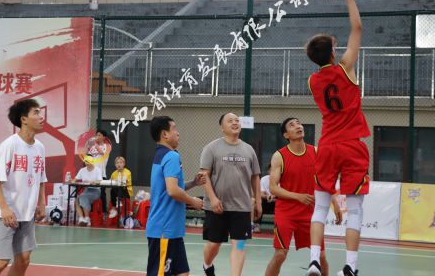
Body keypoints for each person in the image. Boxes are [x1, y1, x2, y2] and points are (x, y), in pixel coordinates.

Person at [305, 0, 370, 276]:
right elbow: (357, 28)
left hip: (328, 145)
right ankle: (350, 266)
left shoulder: (313, 81)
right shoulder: (345, 68)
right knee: (355, 210)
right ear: (333, 52)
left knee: (320, 208)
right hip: (352, 144)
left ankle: (314, 261)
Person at [264, 117, 342, 276]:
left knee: (321, 256)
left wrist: (335, 203)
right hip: (286, 212)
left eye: (298, 123)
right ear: (286, 135)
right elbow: (273, 188)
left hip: (311, 213)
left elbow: (325, 181)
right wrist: (298, 197)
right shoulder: (279, 156)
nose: (298, 126)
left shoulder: (316, 152)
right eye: (292, 125)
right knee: (280, 255)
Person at [0, 99, 47, 276]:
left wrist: (42, 203)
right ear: (23, 119)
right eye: (36, 112)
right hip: (5, 213)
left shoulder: (40, 148)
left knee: (24, 259)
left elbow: (41, 178)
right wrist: (4, 208)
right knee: (0, 263)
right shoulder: (9, 145)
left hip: (27, 213)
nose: (41, 117)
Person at [200, 113, 262, 276]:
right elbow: (204, 175)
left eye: (237, 120)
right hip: (216, 207)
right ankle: (207, 264)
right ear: (222, 127)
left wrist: (258, 202)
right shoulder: (211, 148)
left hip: (242, 208)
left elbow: (255, 177)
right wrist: (213, 199)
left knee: (239, 245)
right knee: (214, 244)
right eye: (230, 121)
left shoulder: (249, 149)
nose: (235, 123)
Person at [145, 116, 205, 276]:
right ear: (164, 134)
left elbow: (170, 187)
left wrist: (193, 183)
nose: (178, 133)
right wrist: (193, 201)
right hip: (164, 228)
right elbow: (172, 190)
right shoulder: (171, 156)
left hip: (173, 231)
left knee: (183, 273)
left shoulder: (162, 155)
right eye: (174, 129)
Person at [85, 129, 112, 214]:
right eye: (96, 135)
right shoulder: (93, 147)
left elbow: (102, 153)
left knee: (102, 194)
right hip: (92, 174)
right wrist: (88, 150)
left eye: (99, 135)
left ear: (104, 137)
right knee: (90, 193)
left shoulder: (107, 146)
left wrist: (95, 145)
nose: (97, 137)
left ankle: (104, 212)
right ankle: (91, 212)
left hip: (101, 174)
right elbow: (88, 158)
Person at [73, 156, 103, 226]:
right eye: (86, 162)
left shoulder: (97, 170)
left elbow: (99, 181)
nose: (87, 164)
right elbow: (75, 179)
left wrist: (92, 182)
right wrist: (72, 180)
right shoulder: (82, 170)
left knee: (83, 197)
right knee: (76, 200)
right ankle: (81, 218)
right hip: (86, 190)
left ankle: (87, 218)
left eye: (88, 162)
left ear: (92, 162)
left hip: (95, 190)